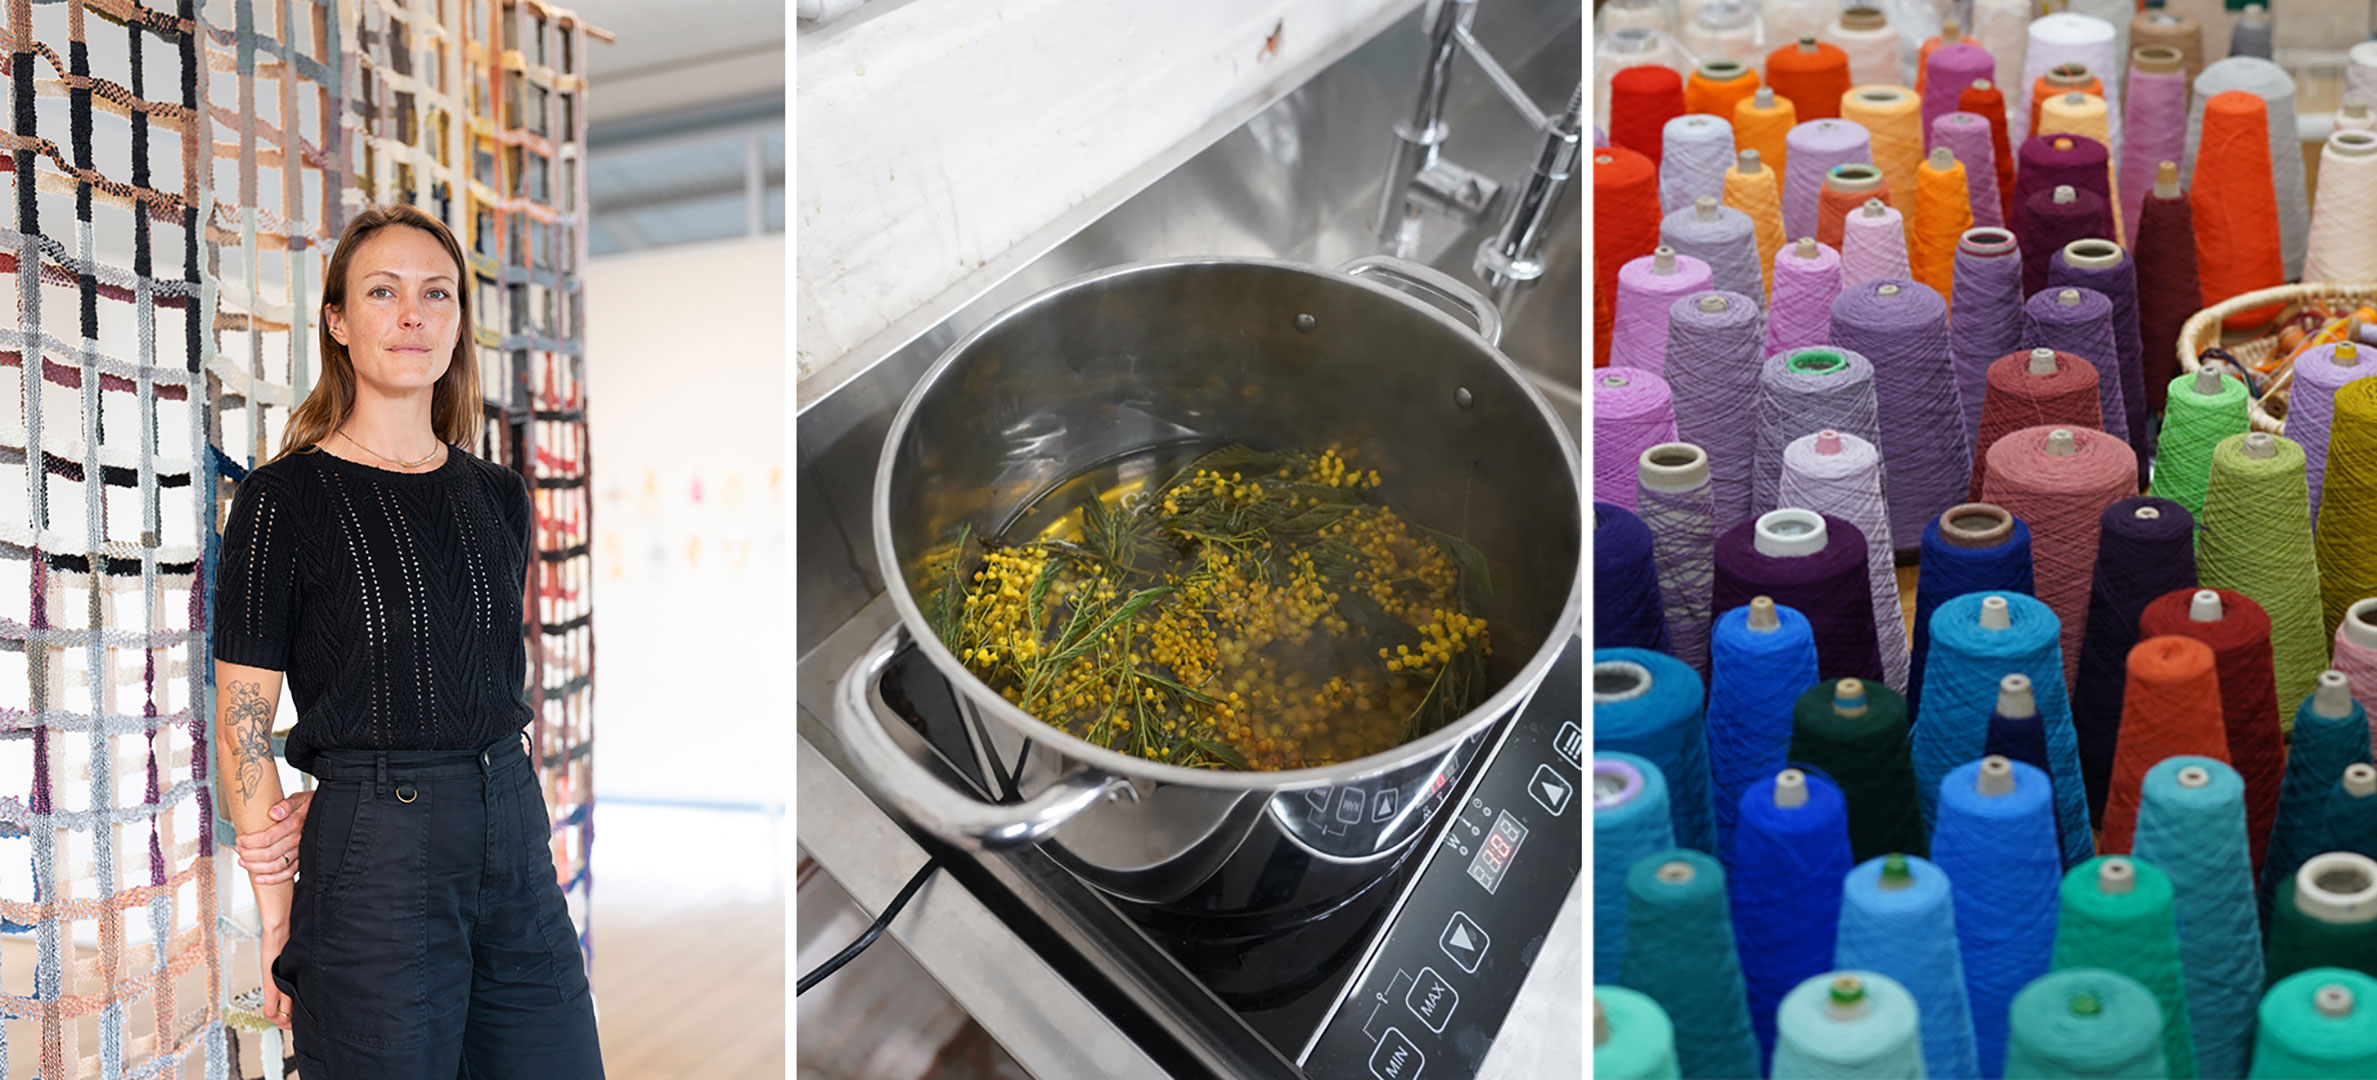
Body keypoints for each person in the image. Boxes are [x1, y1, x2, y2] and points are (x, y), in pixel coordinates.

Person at [212, 202, 604, 1076]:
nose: (412, 315)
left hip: (511, 824)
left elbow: (468, 679)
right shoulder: (284, 500)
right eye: (382, 292)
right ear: (338, 321)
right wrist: (278, 914)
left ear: (458, 322)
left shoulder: (497, 495)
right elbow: (244, 726)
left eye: (436, 294)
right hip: (377, 860)